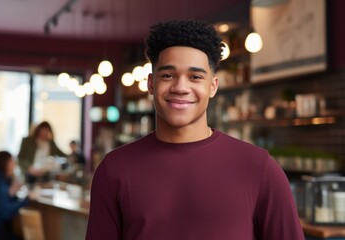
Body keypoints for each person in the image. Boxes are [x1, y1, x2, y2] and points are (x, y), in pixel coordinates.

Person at [86, 20, 304, 240]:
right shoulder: (113, 170)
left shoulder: (260, 169)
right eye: (168, 75)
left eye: (196, 77)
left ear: (212, 86)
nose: (181, 87)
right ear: (151, 84)